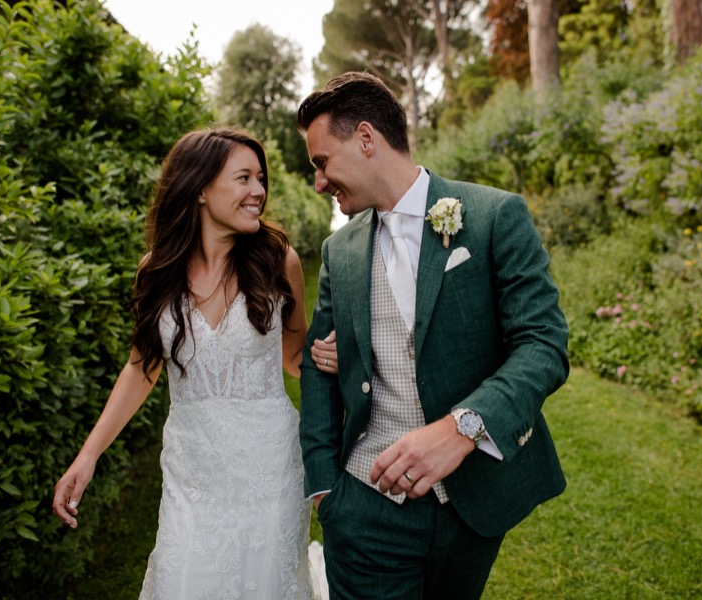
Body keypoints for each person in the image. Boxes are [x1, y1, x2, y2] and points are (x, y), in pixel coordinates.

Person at [298, 72, 570, 599]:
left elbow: (543, 344)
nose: (319, 182)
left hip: (473, 507)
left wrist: (462, 429)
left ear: (366, 139)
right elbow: (316, 364)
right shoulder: (340, 251)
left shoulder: (494, 216)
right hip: (364, 509)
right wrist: (325, 488)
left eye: (321, 161)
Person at [53, 128, 332, 599]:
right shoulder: (156, 271)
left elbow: (294, 355)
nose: (258, 191)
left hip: (269, 469)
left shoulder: (277, 261)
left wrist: (335, 355)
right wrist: (88, 454)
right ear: (200, 188)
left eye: (260, 179)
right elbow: (141, 368)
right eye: (243, 178)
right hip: (191, 472)